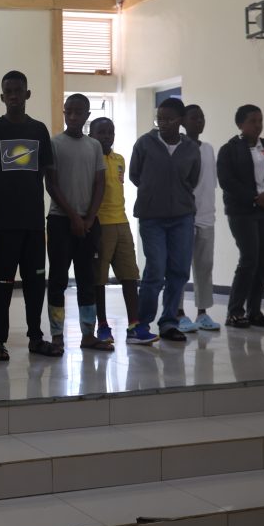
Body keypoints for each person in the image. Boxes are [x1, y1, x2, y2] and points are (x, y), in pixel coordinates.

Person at [0, 70, 60, 360]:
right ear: (2, 96)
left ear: (27, 94)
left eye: (18, 91)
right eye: (8, 92)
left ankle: (36, 337)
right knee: (1, 285)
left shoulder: (38, 130)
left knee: (35, 283)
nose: (13, 96)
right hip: (2, 225)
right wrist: (0, 202)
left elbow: (46, 172)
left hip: (33, 223)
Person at [128, 98, 200, 343]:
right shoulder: (144, 143)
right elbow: (135, 175)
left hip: (182, 217)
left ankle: (169, 322)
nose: (163, 123)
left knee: (179, 271)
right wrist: (153, 192)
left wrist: (177, 195)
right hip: (152, 217)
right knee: (156, 270)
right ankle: (142, 324)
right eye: (160, 118)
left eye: (169, 119)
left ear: (180, 120)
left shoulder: (190, 147)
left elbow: (193, 179)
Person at [44, 93, 110, 351]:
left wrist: (89, 217)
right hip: (61, 221)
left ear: (87, 116)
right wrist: (73, 216)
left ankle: (88, 335)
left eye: (78, 112)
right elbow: (51, 184)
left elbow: (100, 183)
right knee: (58, 279)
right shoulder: (54, 143)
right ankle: (57, 335)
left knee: (87, 279)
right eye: (68, 111)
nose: (72, 117)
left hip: (88, 223)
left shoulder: (94, 146)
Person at [216, 104, 264, 328]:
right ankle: (235, 312)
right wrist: (254, 197)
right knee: (249, 259)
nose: (258, 125)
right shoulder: (229, 150)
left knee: (263, 261)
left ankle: (254, 311)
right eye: (252, 121)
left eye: (260, 120)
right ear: (240, 124)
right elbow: (226, 180)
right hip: (242, 211)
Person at [89, 116, 143, 345]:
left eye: (110, 132)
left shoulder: (119, 159)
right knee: (99, 279)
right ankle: (102, 325)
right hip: (100, 225)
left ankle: (134, 325)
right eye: (101, 132)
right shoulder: (90, 159)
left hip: (122, 223)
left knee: (130, 275)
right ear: (91, 135)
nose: (106, 136)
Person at [177, 104, 221, 332]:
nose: (199, 121)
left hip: (206, 216)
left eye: (202, 117)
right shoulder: (179, 148)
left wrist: (210, 212)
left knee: (204, 266)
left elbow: (210, 184)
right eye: (194, 118)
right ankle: (178, 313)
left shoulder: (208, 149)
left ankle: (202, 313)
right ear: (183, 121)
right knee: (180, 268)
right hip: (184, 216)